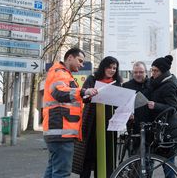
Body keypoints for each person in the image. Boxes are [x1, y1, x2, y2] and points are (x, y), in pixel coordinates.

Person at [43, 47, 98, 178]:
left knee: (53, 170)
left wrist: (84, 97)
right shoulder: (60, 73)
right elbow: (59, 92)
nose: (81, 64)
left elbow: (68, 98)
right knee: (61, 173)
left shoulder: (63, 74)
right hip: (62, 132)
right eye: (80, 60)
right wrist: (84, 91)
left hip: (57, 131)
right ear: (69, 58)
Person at [72, 56, 121, 178]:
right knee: (87, 155)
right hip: (91, 122)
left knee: (105, 156)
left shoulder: (118, 83)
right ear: (103, 67)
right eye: (109, 67)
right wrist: (90, 93)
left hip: (109, 124)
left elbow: (118, 103)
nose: (112, 70)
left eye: (114, 68)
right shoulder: (92, 79)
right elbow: (84, 97)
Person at [147, 55, 177, 178]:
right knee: (150, 162)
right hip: (159, 129)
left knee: (168, 165)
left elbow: (173, 108)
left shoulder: (169, 85)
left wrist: (155, 105)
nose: (153, 73)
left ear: (163, 71)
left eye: (155, 70)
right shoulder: (156, 82)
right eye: (152, 70)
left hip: (168, 131)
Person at [122, 61, 151, 155]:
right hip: (133, 128)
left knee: (148, 161)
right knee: (133, 159)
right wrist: (127, 114)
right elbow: (122, 106)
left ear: (146, 72)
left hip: (150, 128)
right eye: (135, 72)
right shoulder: (126, 86)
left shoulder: (152, 85)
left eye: (141, 72)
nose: (138, 74)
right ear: (132, 73)